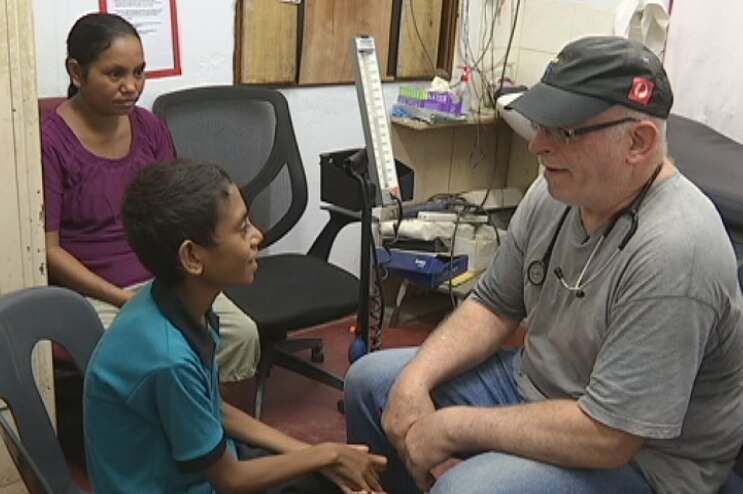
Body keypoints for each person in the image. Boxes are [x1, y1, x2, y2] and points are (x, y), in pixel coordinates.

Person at [344, 36, 743, 494]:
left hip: (645, 458)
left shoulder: (676, 249)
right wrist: (415, 379)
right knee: (372, 384)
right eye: (541, 124)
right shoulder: (558, 192)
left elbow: (610, 436)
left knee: (467, 490)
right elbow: (494, 305)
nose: (538, 146)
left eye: (565, 131)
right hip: (539, 386)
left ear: (638, 140)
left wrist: (454, 427)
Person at [83, 158, 387, 493]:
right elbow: (231, 480)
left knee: (328, 476)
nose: (259, 234)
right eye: (242, 228)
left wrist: (320, 456)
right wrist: (327, 454)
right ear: (193, 258)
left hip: (199, 473)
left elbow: (211, 410)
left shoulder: (173, 304)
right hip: (198, 483)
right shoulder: (168, 359)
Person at [41, 12, 259, 409]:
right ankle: (171, 452)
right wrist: (119, 297)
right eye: (115, 74)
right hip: (95, 291)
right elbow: (49, 249)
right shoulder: (49, 142)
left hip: (165, 275)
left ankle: (229, 449)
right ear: (77, 71)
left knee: (241, 335)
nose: (132, 87)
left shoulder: (151, 128)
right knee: (156, 353)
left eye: (140, 73)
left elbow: (178, 210)